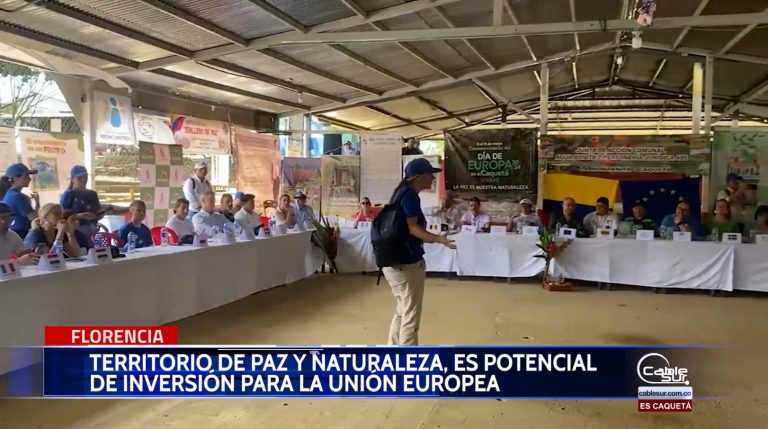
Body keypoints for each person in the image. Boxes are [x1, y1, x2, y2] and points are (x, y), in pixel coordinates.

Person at [382, 158, 455, 346]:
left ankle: (393, 351)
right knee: (411, 315)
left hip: (393, 262)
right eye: (429, 174)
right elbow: (412, 228)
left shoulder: (399, 193)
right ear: (417, 177)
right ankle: (409, 361)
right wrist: (439, 239)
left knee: (402, 310)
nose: (432, 177)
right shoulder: (410, 196)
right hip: (406, 264)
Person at [59, 165, 102, 238]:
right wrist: (79, 216)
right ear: (73, 179)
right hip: (75, 230)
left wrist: (99, 214)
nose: (83, 180)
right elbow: (62, 215)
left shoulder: (92, 194)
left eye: (85, 177)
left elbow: (97, 211)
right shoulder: (69, 194)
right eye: (80, 178)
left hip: (93, 229)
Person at [3, 163, 39, 239]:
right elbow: (35, 218)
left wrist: (37, 202)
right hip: (21, 234)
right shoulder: (17, 197)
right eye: (26, 176)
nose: (30, 179)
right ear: (16, 178)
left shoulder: (10, 194)